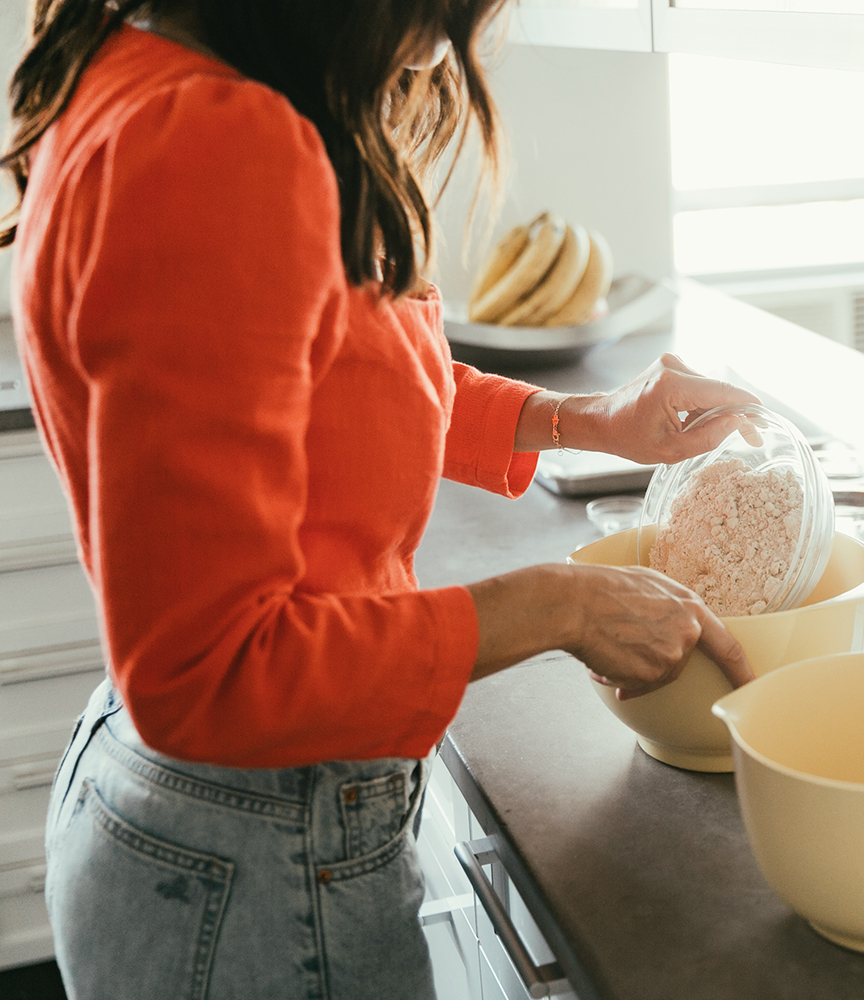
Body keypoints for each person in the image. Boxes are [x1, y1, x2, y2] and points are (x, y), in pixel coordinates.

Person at [4, 2, 755, 997]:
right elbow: (211, 672)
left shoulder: (151, 77)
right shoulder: (218, 141)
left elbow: (330, 382)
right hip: (262, 857)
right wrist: (560, 606)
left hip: (212, 833)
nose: (452, 36)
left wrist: (587, 418)